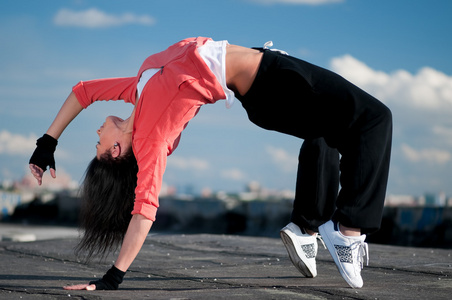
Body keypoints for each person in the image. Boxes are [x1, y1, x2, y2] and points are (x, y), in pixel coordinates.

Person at [29, 37, 392, 290]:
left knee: (329, 129)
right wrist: (112, 277)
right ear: (115, 152)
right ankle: (349, 231)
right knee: (375, 119)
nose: (97, 132)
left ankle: (307, 227)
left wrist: (47, 143)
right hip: (271, 82)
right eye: (98, 143)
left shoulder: (138, 92)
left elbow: (83, 91)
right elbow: (144, 210)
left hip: (268, 76)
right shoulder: (150, 137)